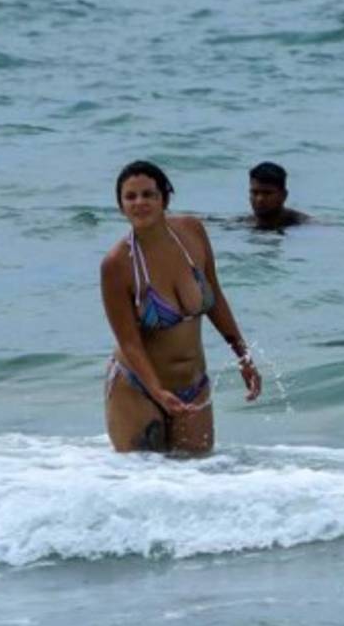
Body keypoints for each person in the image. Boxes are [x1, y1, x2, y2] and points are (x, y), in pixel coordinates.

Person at [102, 160, 262, 453]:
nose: (140, 203)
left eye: (148, 194)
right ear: (121, 206)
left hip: (193, 385)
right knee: (142, 482)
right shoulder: (117, 265)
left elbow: (215, 297)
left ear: (164, 198)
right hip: (138, 387)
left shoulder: (192, 232)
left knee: (196, 478)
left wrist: (243, 355)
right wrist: (157, 391)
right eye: (131, 197)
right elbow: (130, 342)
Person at [247, 161, 309, 231]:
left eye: (267, 193)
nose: (260, 199)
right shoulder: (242, 223)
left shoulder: (305, 224)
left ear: (283, 195)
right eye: (255, 192)